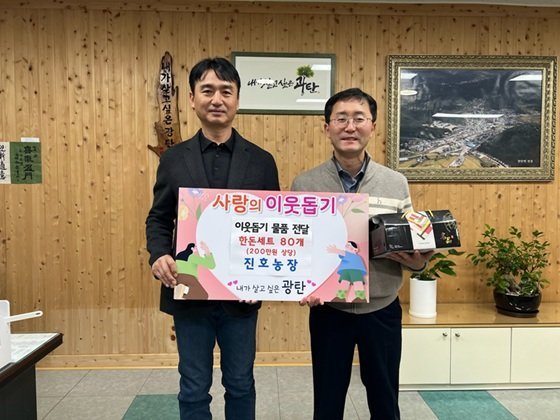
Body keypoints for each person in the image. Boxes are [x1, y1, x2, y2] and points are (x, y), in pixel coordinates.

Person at [146, 57, 280, 420]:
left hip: (242, 295)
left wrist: (264, 280)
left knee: (241, 383)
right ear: (192, 99)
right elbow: (159, 218)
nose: (217, 99)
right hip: (190, 292)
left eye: (226, 91)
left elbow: (272, 228)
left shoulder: (262, 161)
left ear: (237, 100)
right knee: (193, 387)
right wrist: (158, 254)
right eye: (207, 90)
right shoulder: (174, 159)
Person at [291, 88, 432, 420]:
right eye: (341, 119)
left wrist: (419, 261)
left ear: (373, 126)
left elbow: (411, 243)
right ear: (327, 127)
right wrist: (302, 282)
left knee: (385, 400)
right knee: (327, 402)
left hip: (382, 308)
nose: (350, 127)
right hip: (329, 310)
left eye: (359, 118)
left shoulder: (395, 182)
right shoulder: (305, 184)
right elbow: (299, 249)